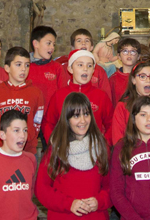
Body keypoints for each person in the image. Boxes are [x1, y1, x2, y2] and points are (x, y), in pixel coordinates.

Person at [37, 92, 112, 220]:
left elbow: (111, 188)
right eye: (76, 116)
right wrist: (69, 204)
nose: (83, 120)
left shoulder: (102, 147)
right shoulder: (55, 149)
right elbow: (41, 189)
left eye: (86, 114)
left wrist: (99, 201)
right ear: (67, 119)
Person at [44, 49, 113, 141]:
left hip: (93, 147)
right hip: (65, 147)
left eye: (89, 66)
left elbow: (111, 123)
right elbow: (48, 123)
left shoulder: (101, 96)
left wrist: (104, 144)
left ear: (93, 70)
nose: (85, 69)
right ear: (70, 69)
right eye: (80, 65)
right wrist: (54, 144)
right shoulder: (59, 95)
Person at [0, 47, 44, 155]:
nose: (23, 69)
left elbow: (37, 121)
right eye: (18, 64)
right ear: (7, 68)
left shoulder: (36, 93)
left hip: (27, 150)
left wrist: (30, 137)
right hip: (0, 150)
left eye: (27, 65)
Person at [112, 62, 150, 145]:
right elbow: (118, 141)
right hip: (129, 151)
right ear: (133, 80)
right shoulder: (123, 106)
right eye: (142, 76)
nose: (148, 81)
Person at [61, 29, 115, 102]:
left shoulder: (99, 70)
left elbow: (106, 97)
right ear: (72, 47)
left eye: (87, 41)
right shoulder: (64, 69)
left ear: (92, 47)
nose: (83, 43)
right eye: (79, 41)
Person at [28, 26, 64, 109]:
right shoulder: (25, 66)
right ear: (36, 44)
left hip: (51, 115)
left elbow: (62, 94)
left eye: (54, 44)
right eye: (48, 43)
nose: (52, 47)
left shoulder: (57, 67)